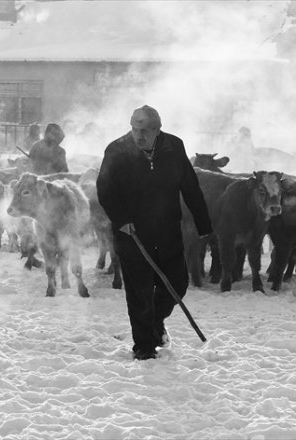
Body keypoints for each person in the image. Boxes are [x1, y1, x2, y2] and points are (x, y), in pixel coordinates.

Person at [97, 105, 212, 360]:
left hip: (167, 229)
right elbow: (105, 190)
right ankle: (144, 347)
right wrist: (121, 220)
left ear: (157, 130)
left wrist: (204, 223)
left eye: (145, 130)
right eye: (135, 129)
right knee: (139, 291)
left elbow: (190, 186)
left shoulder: (174, 147)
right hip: (132, 233)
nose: (139, 135)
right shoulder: (116, 150)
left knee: (177, 284)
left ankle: (155, 321)